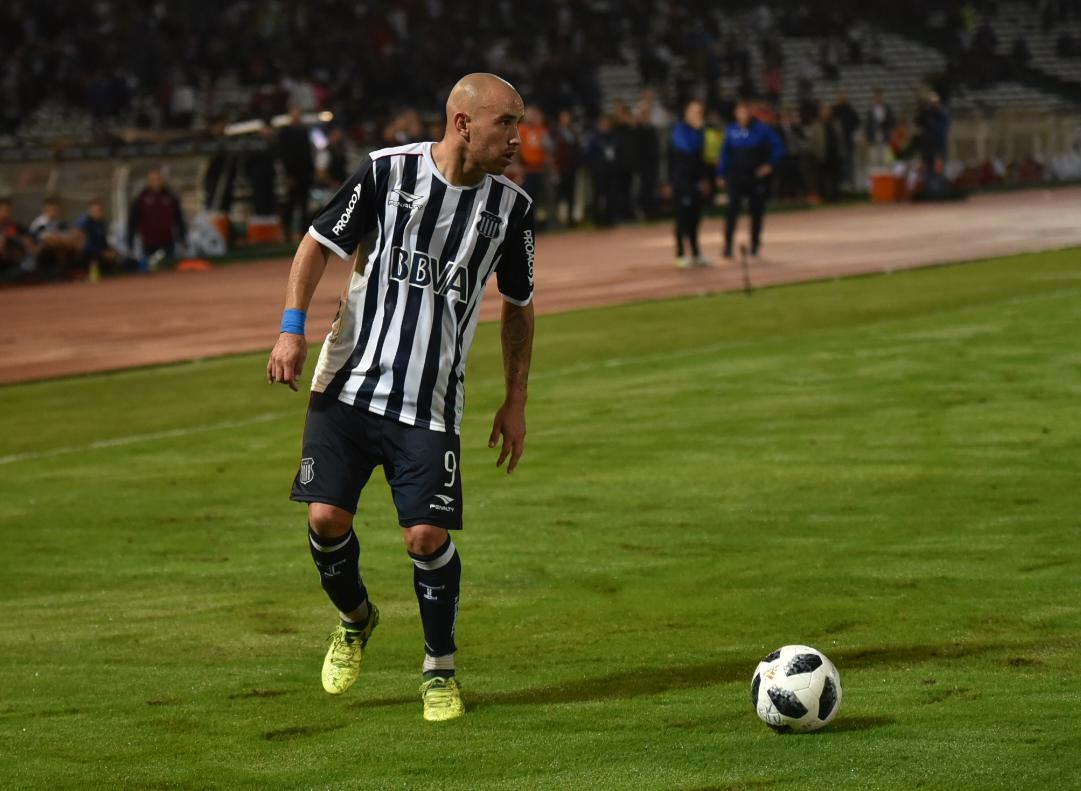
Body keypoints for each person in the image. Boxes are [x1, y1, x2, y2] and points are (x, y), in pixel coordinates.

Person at [265, 72, 535, 723]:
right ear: (463, 122)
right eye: (506, 123)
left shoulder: (511, 210)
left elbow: (519, 307)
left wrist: (515, 400)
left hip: (431, 403)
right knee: (325, 520)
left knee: (424, 534)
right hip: (346, 386)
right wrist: (290, 330)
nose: (516, 138)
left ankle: (438, 670)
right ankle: (355, 618)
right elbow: (315, 243)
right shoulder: (387, 174)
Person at [716, 101, 785, 258]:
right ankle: (727, 246)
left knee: (757, 212)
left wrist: (770, 165)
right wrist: (720, 174)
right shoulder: (731, 130)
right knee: (732, 210)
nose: (743, 115)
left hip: (755, 177)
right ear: (736, 113)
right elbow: (724, 153)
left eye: (745, 112)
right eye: (740, 112)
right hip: (735, 176)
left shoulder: (761, 129)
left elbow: (779, 147)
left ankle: (755, 245)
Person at [668, 100, 709, 268]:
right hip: (682, 182)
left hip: (696, 182)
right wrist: (699, 131)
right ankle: (680, 254)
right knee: (682, 219)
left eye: (699, 112)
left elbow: (706, 156)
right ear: (686, 113)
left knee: (695, 219)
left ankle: (696, 253)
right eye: (693, 111)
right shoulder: (680, 130)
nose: (697, 115)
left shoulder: (701, 132)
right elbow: (688, 149)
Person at [127, 168, 187, 262]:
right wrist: (130, 240)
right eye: (153, 179)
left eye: (158, 179)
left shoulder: (171, 197)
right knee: (150, 269)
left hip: (168, 241)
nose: (156, 182)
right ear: (148, 181)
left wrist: (183, 237)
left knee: (169, 269)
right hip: (148, 242)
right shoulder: (141, 198)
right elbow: (132, 221)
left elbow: (179, 219)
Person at [279, 108, 316, 243]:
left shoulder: (303, 131)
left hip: (305, 174)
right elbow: (286, 155)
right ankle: (286, 232)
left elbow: (308, 153)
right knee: (290, 203)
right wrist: (289, 174)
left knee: (304, 204)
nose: (297, 116)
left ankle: (303, 233)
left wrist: (311, 171)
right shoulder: (285, 132)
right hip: (293, 174)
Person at [29, 197, 84, 279]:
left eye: (55, 210)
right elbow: (48, 240)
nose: (53, 212)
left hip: (59, 248)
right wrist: (64, 242)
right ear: (45, 210)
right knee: (55, 247)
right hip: (42, 251)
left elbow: (70, 237)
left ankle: (69, 273)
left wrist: (65, 241)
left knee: (75, 244)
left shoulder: (60, 222)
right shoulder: (39, 223)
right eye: (51, 209)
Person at [75, 198, 122, 277]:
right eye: (96, 210)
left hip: (99, 251)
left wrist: (109, 250)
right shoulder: (84, 222)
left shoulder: (101, 223)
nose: (99, 212)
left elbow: (103, 241)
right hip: (89, 253)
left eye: (101, 210)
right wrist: (102, 252)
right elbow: (81, 243)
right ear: (90, 210)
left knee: (117, 256)